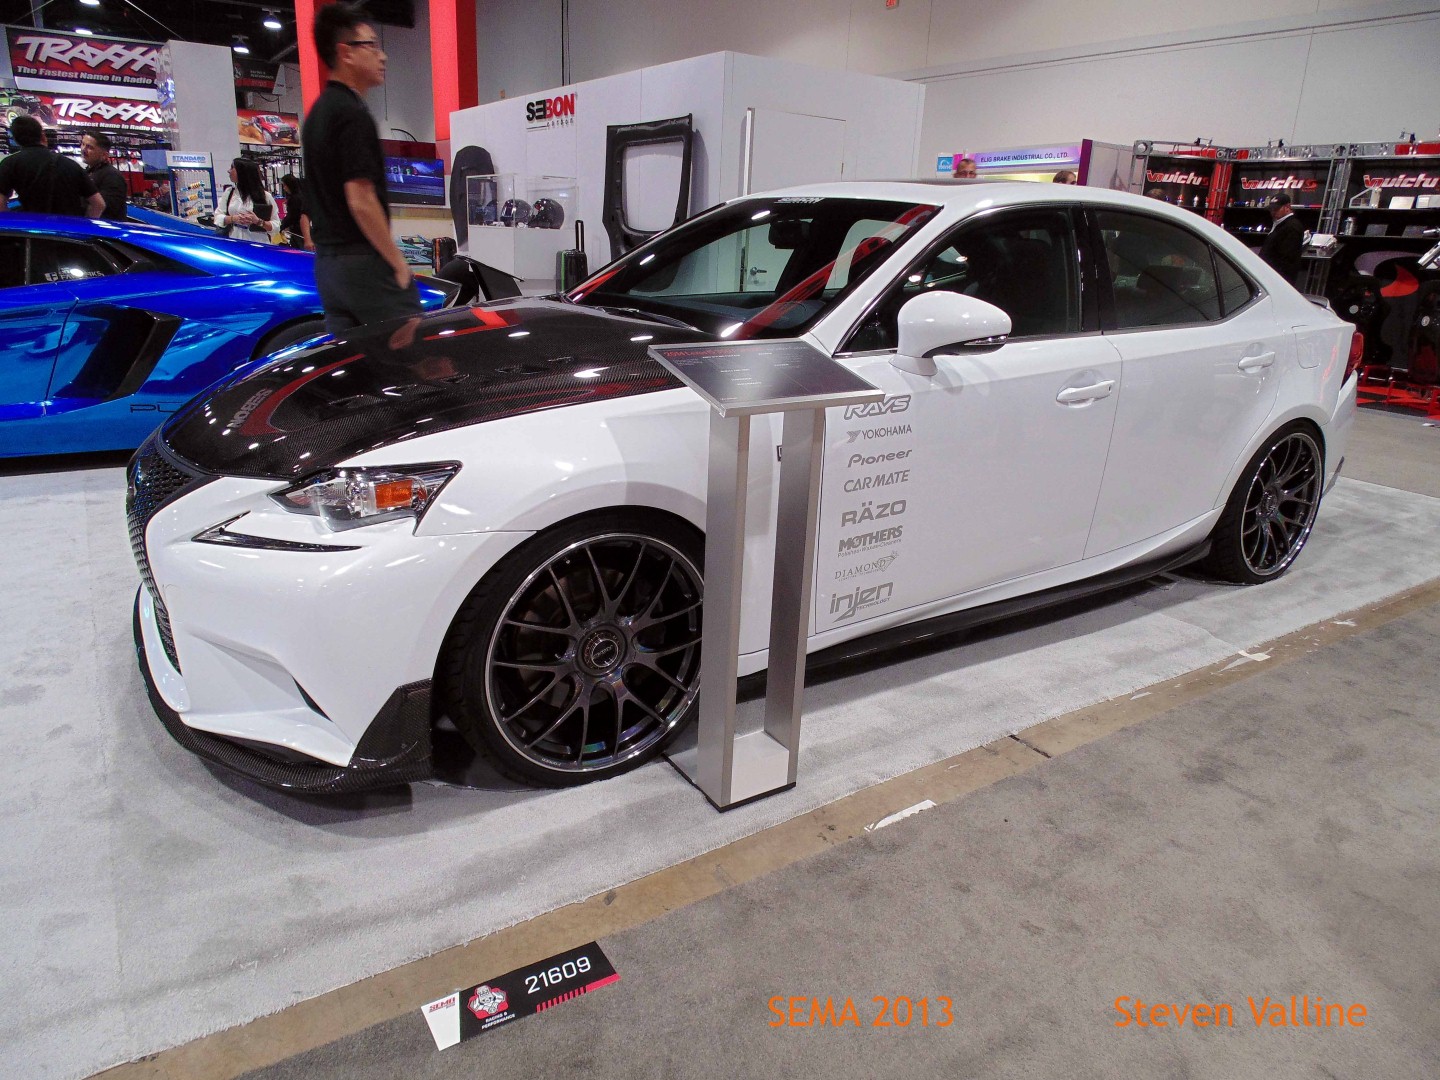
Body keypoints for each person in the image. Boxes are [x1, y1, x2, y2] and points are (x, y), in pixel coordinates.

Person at [302, 2, 421, 334]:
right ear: (346, 53)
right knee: (413, 353)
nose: (382, 56)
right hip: (364, 266)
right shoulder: (352, 114)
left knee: (354, 358)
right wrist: (397, 261)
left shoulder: (317, 115)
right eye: (371, 45)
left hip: (328, 268)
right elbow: (361, 199)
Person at [0, 115, 104, 217]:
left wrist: (12, 224)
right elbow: (98, 204)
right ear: (42, 136)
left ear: (15, 139)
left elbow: (0, 203)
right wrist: (84, 225)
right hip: (67, 226)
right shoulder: (70, 165)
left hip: (30, 225)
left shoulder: (10, 164)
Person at [215, 157, 277, 241]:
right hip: (234, 240)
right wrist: (233, 218)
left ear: (242, 172)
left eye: (232, 168)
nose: (229, 171)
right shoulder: (229, 193)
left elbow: (276, 225)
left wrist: (258, 221)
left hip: (258, 242)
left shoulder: (265, 196)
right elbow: (217, 217)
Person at [1260, 192, 1306, 286]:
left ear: (1287, 207)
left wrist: (1276, 280)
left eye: (1276, 209)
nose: (1273, 212)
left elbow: (1287, 260)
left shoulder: (1292, 227)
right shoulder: (1280, 224)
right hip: (1270, 276)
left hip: (1279, 279)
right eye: (1271, 209)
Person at [80, 130, 127, 220]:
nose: (83, 149)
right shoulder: (88, 172)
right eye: (83, 144)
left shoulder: (112, 176)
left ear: (104, 155)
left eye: (90, 147)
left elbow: (106, 209)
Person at [278, 172, 310, 249]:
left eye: (285, 185)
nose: (284, 188)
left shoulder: (294, 199)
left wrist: (281, 226)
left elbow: (292, 216)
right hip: (301, 230)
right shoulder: (301, 195)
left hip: (298, 231)